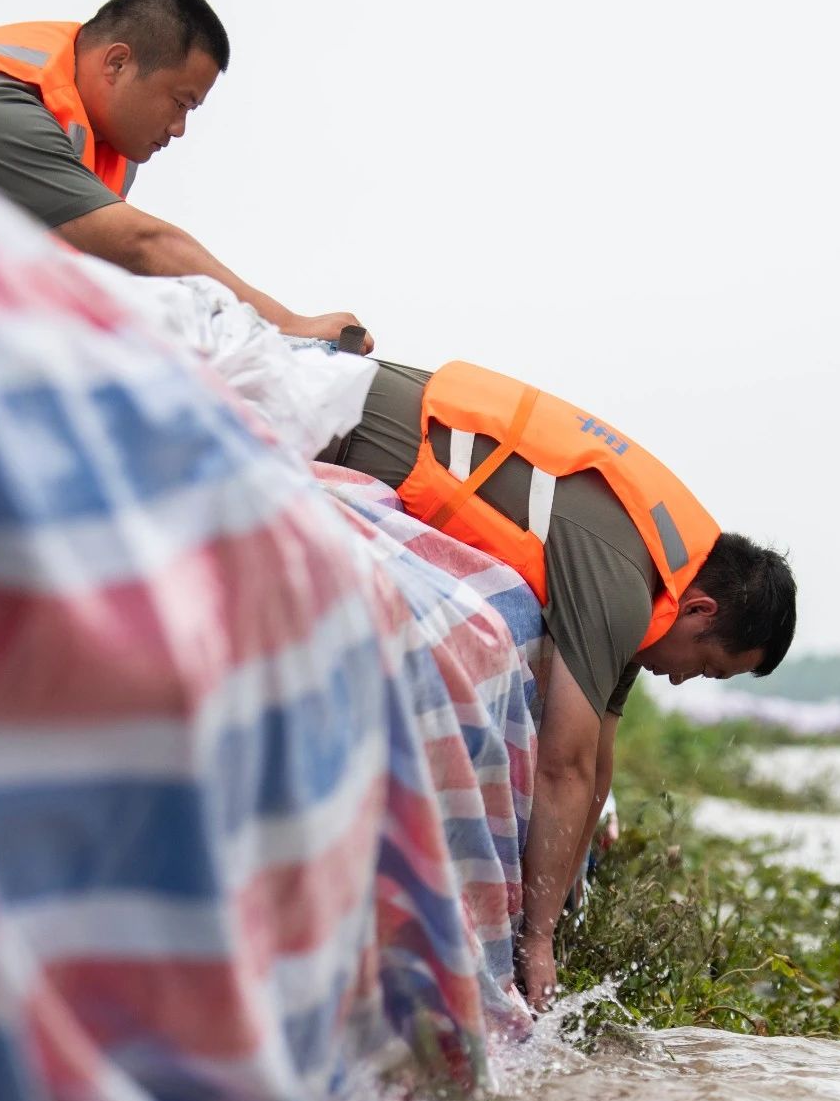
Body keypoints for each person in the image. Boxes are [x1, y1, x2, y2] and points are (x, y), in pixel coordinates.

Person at [318, 358, 796, 1009]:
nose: (684, 680)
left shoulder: (656, 590)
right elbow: (563, 767)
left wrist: (558, 923)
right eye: (706, 666)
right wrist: (534, 943)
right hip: (335, 417)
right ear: (700, 611)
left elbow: (596, 771)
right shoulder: (625, 590)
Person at [0, 0, 370, 348]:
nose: (180, 128)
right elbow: (141, 245)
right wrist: (288, 326)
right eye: (180, 102)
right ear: (117, 63)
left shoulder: (99, 143)